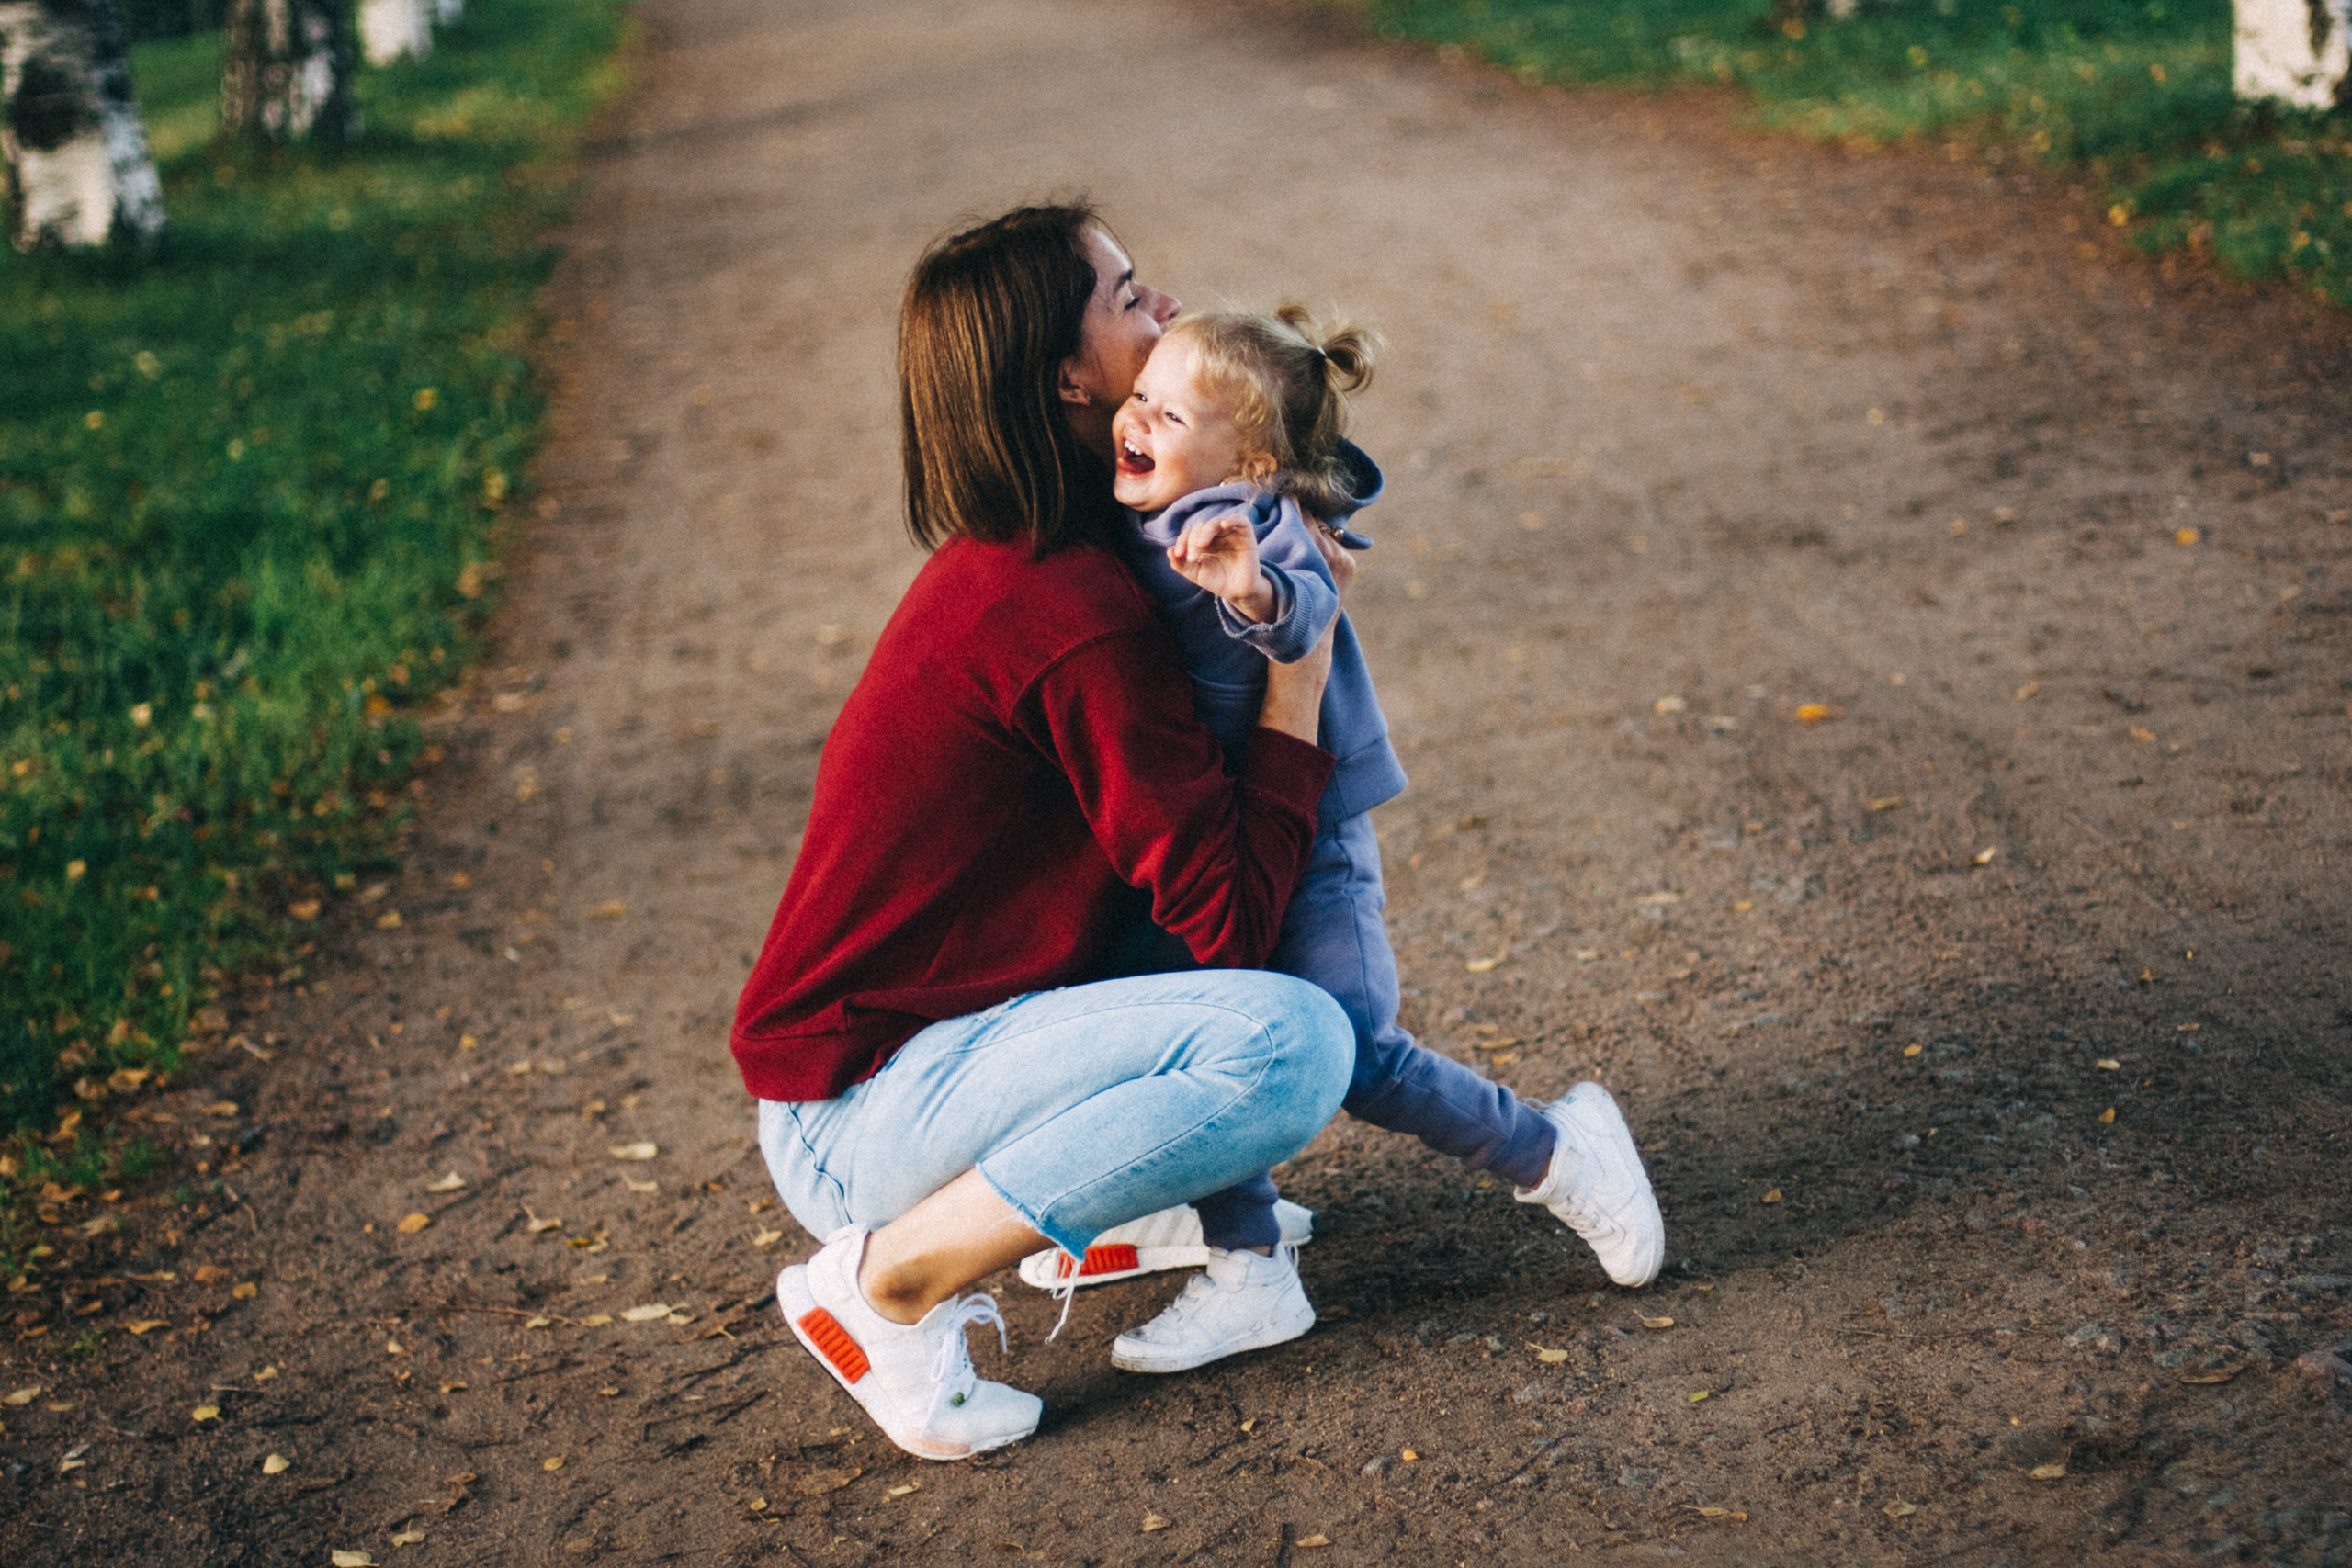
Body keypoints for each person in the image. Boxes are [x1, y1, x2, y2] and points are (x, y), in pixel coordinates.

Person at [733, 204, 1360, 1462]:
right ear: (1073, 378)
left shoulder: (1079, 553)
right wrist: (1299, 674)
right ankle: (888, 1283)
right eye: (1128, 296)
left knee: (1240, 995)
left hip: (929, 1060)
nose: (1166, 307)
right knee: (1292, 1047)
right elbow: (1230, 922)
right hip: (861, 1109)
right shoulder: (1067, 610)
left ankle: (1109, 1205)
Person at [1026, 306, 1661, 1378]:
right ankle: (1248, 1269)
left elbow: (1303, 602)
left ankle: (1559, 1154)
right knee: (1205, 1042)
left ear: (1250, 462)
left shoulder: (1249, 521)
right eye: (1138, 401)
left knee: (1358, 1047)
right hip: (1218, 839)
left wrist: (1250, 591)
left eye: (1168, 416)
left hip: (1308, 838)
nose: (1135, 422)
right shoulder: (1137, 510)